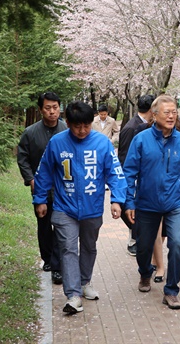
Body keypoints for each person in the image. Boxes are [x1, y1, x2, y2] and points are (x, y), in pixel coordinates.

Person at [33, 101, 127, 314]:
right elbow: (45, 172)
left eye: (86, 126)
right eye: (77, 126)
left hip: (92, 208)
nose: (82, 131)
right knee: (67, 249)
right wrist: (39, 199)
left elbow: (115, 173)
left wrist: (116, 200)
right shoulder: (57, 143)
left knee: (89, 247)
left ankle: (85, 282)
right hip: (64, 207)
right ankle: (73, 295)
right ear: (68, 123)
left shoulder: (102, 144)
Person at [122, 95, 180, 310]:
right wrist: (129, 202)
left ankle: (171, 290)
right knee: (143, 247)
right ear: (154, 115)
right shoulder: (141, 139)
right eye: (167, 112)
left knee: (177, 244)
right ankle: (145, 273)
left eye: (174, 112)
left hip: (176, 201)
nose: (172, 116)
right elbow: (129, 173)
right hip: (146, 202)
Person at [17, 92, 66, 285]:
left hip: (62, 189)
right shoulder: (30, 132)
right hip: (40, 189)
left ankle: (57, 266)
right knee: (44, 226)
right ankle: (47, 259)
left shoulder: (65, 130)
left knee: (61, 226)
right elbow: (22, 158)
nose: (52, 112)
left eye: (55, 107)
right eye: (48, 108)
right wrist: (31, 180)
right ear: (40, 110)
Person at [117, 94, 155, 256]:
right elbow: (124, 156)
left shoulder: (148, 125)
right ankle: (134, 239)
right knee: (131, 209)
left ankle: (140, 238)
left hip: (147, 176)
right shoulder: (131, 128)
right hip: (135, 177)